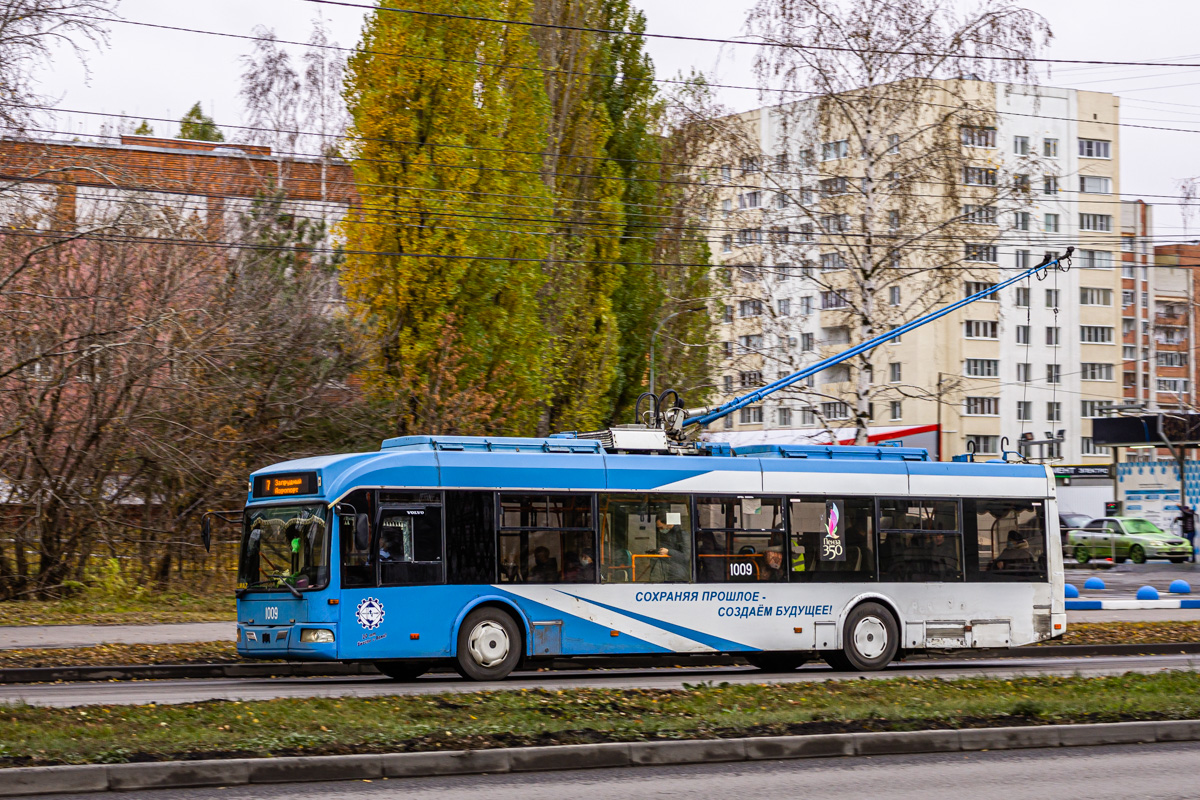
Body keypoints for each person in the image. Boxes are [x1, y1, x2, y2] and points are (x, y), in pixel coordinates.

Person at [655, 515, 689, 581]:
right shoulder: (666, 535)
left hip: (679, 575)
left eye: (661, 527)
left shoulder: (682, 535)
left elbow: (686, 556)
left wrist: (668, 552)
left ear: (668, 524)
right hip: (666, 572)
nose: (660, 530)